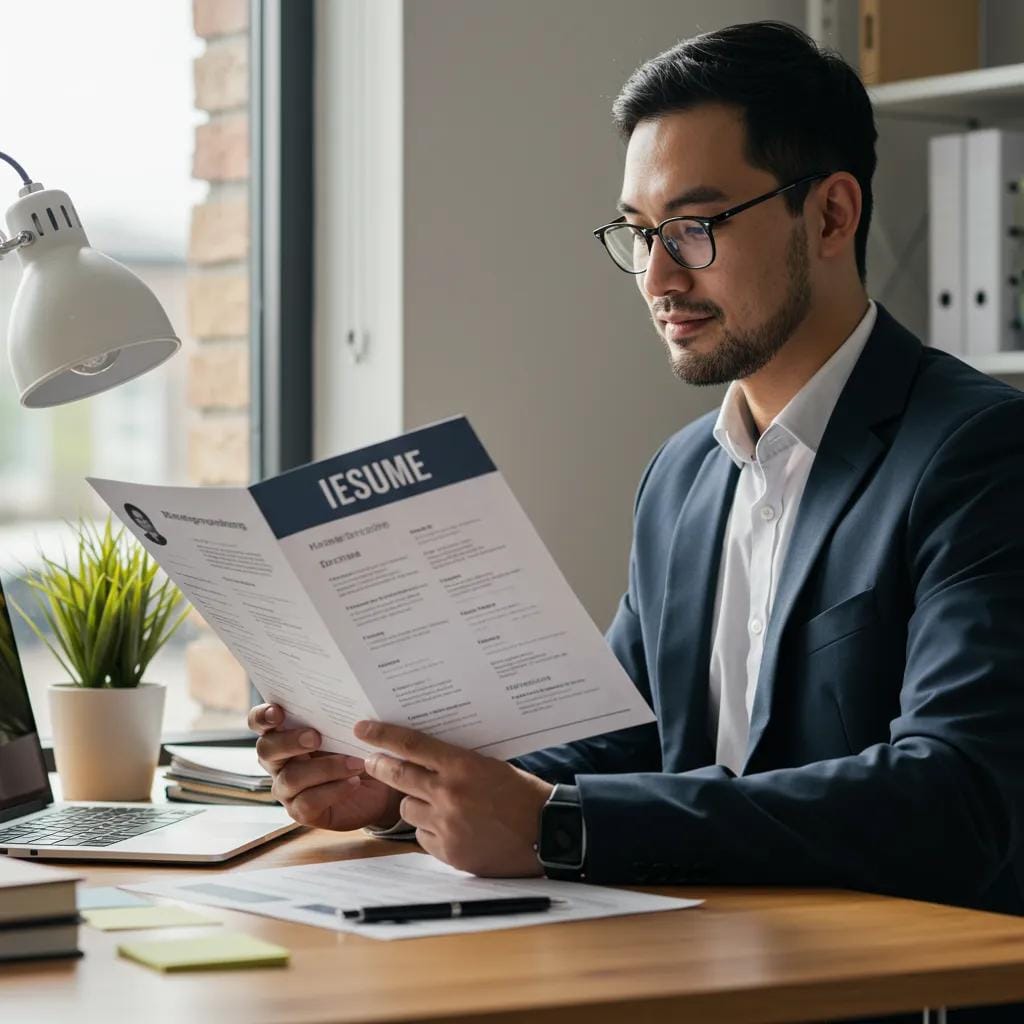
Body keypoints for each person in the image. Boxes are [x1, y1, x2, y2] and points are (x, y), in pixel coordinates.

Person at [250, 21, 1024, 1018]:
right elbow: (615, 741)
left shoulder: (979, 453)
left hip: (894, 992)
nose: (657, 278)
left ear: (829, 215)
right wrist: (403, 791)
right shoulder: (683, 473)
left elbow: (955, 795)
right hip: (708, 965)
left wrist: (560, 825)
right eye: (638, 231)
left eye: (695, 227)